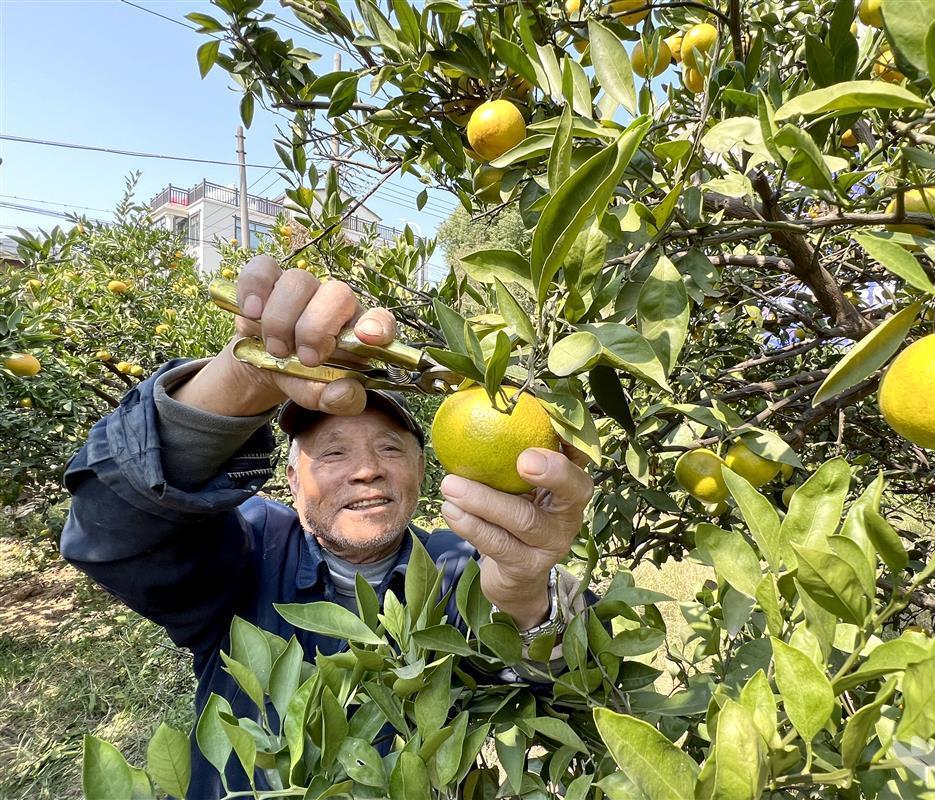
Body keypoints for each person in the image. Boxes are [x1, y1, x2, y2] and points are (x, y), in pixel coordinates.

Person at [59, 256, 596, 798]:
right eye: (334, 453)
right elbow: (114, 527)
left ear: (421, 471)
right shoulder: (251, 549)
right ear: (292, 480)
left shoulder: (461, 563)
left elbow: (567, 689)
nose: (367, 469)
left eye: (389, 448)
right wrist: (239, 383)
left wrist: (526, 598)